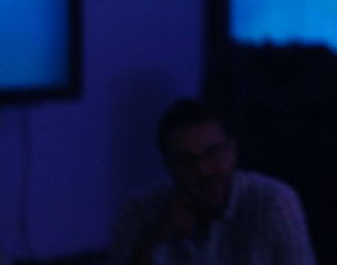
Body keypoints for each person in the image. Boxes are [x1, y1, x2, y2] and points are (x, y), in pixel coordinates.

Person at [107, 98, 316, 265]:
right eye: (186, 161)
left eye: (213, 153)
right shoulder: (142, 210)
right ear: (169, 167)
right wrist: (156, 238)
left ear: (233, 151)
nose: (203, 170)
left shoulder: (273, 202)